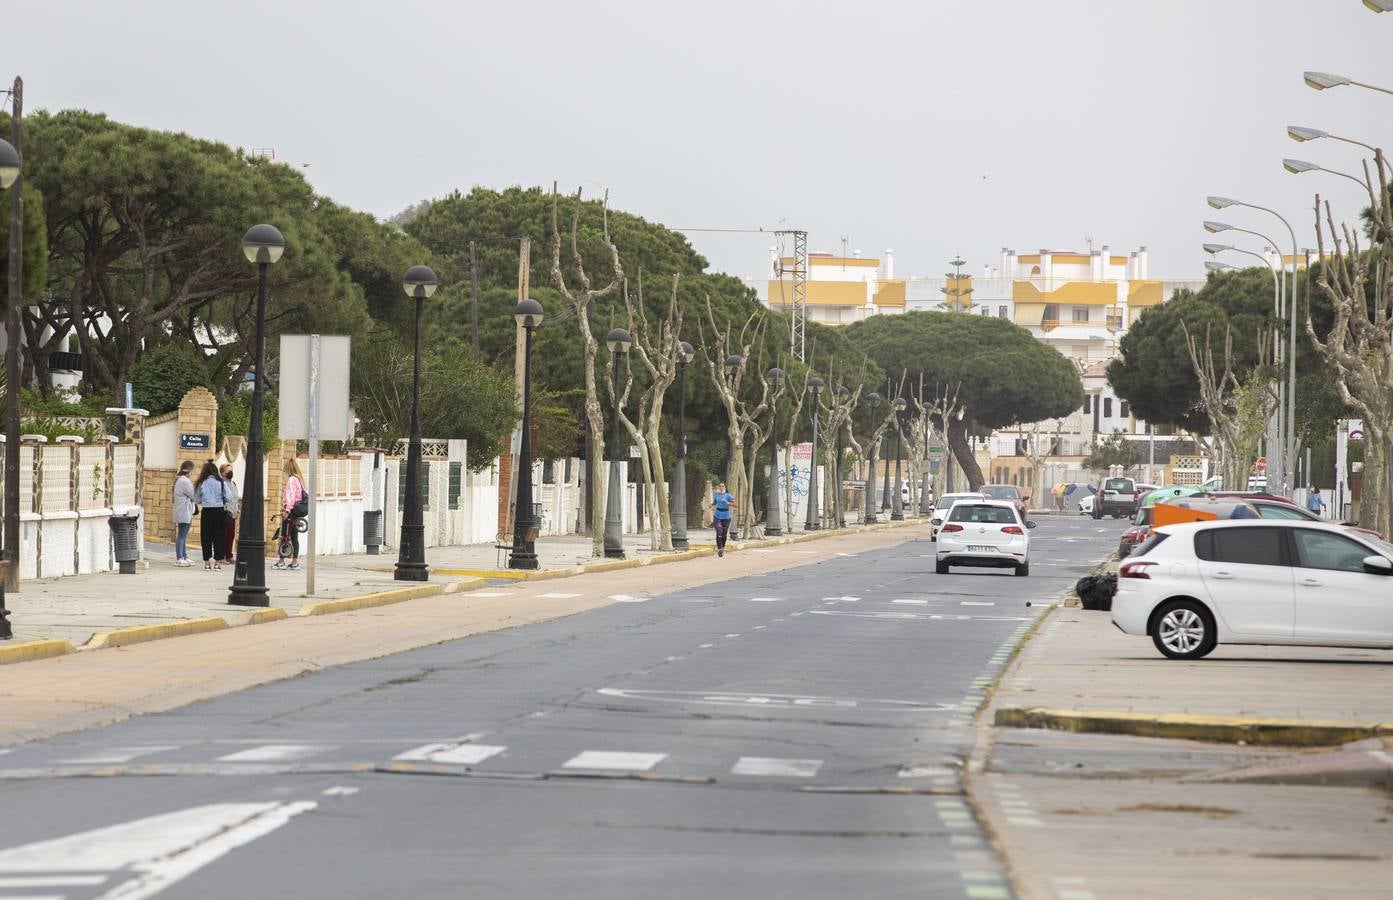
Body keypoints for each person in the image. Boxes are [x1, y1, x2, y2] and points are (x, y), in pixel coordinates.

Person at [194, 460, 230, 570]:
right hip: (219, 511)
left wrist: (205, 500)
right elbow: (228, 496)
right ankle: (218, 563)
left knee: (206, 537)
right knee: (219, 537)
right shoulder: (221, 482)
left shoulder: (202, 483)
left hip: (207, 511)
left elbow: (197, 498)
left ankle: (207, 563)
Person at [276, 457, 306, 570]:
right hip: (297, 512)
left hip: (291, 511)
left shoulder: (291, 480)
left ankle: (281, 561)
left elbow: (290, 496)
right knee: (294, 537)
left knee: (285, 536)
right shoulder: (299, 479)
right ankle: (294, 562)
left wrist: (287, 511)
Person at [172, 460, 196, 567]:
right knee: (181, 535)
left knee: (183, 535)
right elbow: (193, 495)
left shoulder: (181, 480)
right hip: (184, 511)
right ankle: (180, 557)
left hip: (184, 511)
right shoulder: (184, 481)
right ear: (189, 470)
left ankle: (184, 556)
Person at [220, 464, 240, 564]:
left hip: (233, 514)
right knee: (223, 535)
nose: (230, 472)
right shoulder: (221, 484)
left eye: (231, 470)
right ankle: (221, 556)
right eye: (228, 471)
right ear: (222, 472)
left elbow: (236, 499)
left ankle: (229, 555)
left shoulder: (233, 484)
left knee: (230, 536)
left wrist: (237, 511)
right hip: (225, 513)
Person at [712, 482, 734, 558]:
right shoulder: (716, 495)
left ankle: (723, 547)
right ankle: (719, 549)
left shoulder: (728, 495)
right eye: (720, 486)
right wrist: (711, 505)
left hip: (726, 516)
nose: (721, 487)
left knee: (724, 534)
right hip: (717, 515)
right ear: (718, 487)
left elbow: (735, 504)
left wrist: (728, 502)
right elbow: (715, 502)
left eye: (723, 486)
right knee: (719, 531)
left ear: (725, 487)